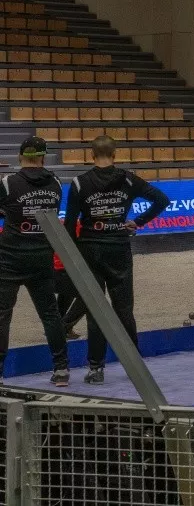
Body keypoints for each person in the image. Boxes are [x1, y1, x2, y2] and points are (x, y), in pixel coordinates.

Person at [64, 135, 171, 385]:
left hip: (90, 249)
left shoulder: (79, 183)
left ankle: (96, 368)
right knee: (124, 308)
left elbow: (69, 224)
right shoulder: (127, 178)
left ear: (91, 155)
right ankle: (134, 364)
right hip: (119, 247)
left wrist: (74, 255)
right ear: (115, 155)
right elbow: (162, 200)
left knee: (95, 310)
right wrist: (139, 222)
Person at [0, 137, 69, 386]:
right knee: (50, 315)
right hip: (42, 257)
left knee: (2, 315)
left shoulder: (8, 183)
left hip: (9, 258)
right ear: (43, 157)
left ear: (20, 157)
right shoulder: (57, 183)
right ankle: (61, 369)